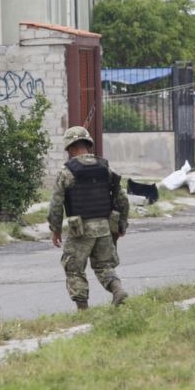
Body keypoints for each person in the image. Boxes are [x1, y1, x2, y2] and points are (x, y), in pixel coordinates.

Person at [48, 126, 130, 311]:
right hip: (104, 227)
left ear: (69, 148)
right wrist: (122, 224)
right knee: (104, 266)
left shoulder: (66, 172)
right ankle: (117, 291)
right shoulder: (105, 167)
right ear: (88, 144)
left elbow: (56, 204)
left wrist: (56, 230)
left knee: (74, 268)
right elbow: (122, 199)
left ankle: (83, 311)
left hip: (80, 230)